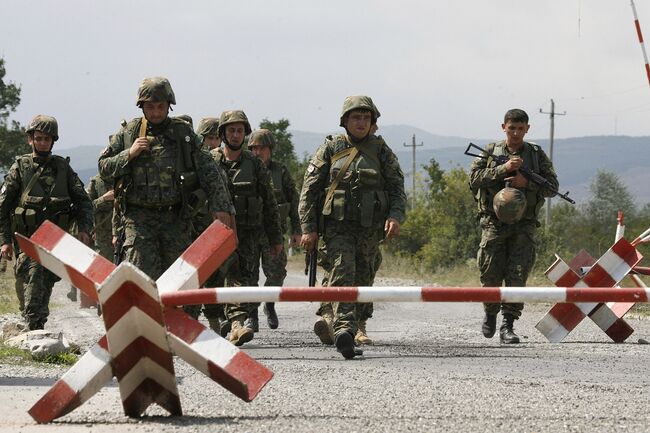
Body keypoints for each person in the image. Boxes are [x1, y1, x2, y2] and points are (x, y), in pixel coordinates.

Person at [299, 96, 406, 359]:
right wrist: (308, 228)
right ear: (345, 121)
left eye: (366, 118)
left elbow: (396, 187)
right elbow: (309, 190)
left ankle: (357, 324)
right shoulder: (331, 148)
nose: (361, 122)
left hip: (370, 229)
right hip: (337, 228)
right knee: (343, 272)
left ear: (372, 123)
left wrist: (395, 216)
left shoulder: (380, 150)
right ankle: (344, 328)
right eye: (356, 117)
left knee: (365, 276)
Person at [98, 77, 233, 282]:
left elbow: (209, 171)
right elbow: (104, 167)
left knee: (181, 281)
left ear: (169, 106)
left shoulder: (183, 133)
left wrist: (220, 207)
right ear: (142, 107)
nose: (155, 112)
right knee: (141, 281)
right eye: (150, 107)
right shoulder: (129, 133)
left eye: (160, 106)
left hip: (175, 219)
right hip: (139, 221)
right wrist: (129, 154)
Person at [469, 108, 558, 344]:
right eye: (512, 128)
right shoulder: (490, 151)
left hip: (524, 225)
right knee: (489, 272)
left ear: (527, 129)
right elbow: (473, 180)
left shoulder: (536, 155)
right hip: (493, 224)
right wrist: (503, 169)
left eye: (520, 128)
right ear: (504, 128)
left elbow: (552, 188)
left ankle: (508, 325)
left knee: (517, 274)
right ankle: (490, 312)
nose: (516, 133)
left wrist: (526, 182)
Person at [0, 115, 94, 330]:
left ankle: (35, 326)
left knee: (45, 283)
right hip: (27, 240)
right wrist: (4, 241)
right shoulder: (20, 168)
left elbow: (84, 202)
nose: (43, 143)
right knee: (34, 280)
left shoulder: (62, 169)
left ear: (53, 141)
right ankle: (35, 329)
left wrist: (84, 229)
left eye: (47, 139)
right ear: (30, 139)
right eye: (39, 138)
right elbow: (2, 209)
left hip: (56, 242)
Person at [208, 110, 283, 346]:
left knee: (243, 279)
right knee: (216, 280)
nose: (236, 134)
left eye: (240, 130)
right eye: (231, 130)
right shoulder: (209, 161)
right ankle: (219, 321)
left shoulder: (255, 165)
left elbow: (270, 203)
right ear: (223, 133)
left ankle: (238, 324)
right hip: (214, 235)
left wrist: (275, 238)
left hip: (247, 235)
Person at [248, 129, 302, 329]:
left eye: (261, 148)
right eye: (253, 148)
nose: (257, 152)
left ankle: (269, 304)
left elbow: (293, 201)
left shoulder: (281, 172)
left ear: (270, 149)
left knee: (277, 272)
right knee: (249, 274)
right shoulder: (245, 169)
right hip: (250, 232)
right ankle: (251, 313)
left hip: (274, 233)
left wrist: (297, 230)